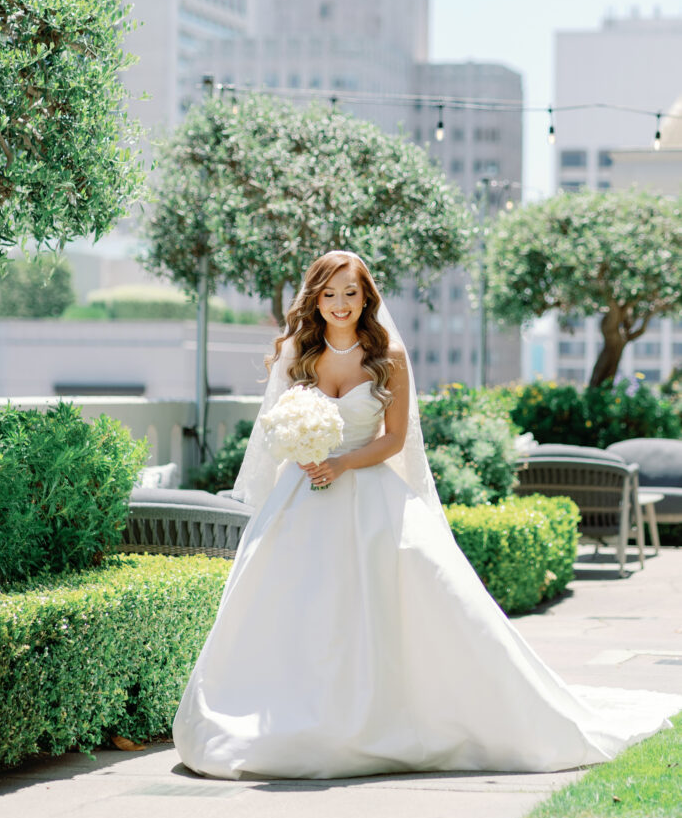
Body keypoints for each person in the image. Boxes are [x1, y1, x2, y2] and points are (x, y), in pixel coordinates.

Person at [173, 250, 681, 780]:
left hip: (368, 490)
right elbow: (276, 427)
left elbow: (394, 439)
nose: (341, 304)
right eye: (330, 294)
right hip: (303, 496)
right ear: (315, 298)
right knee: (297, 605)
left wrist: (342, 462)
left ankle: (394, 718)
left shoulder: (387, 355)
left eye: (351, 293)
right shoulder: (300, 352)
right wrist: (303, 451)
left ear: (366, 296)